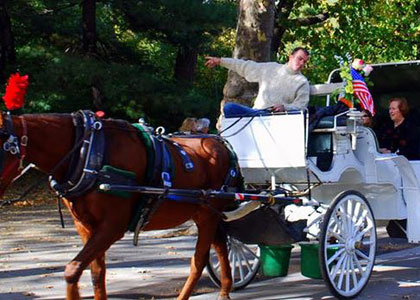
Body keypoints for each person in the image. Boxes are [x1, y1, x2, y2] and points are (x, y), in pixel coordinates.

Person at [205, 47, 310, 116]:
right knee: (229, 108)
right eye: (299, 59)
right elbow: (245, 66)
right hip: (256, 113)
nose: (301, 63)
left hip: (277, 119)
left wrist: (285, 107)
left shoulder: (302, 82)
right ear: (291, 57)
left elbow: (301, 106)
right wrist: (220, 61)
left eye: (304, 61)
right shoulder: (271, 68)